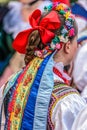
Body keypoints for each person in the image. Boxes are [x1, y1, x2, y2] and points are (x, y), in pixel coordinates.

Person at [0, 2, 86, 130]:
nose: (78, 45)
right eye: (75, 41)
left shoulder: (10, 85)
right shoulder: (68, 100)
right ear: (67, 46)